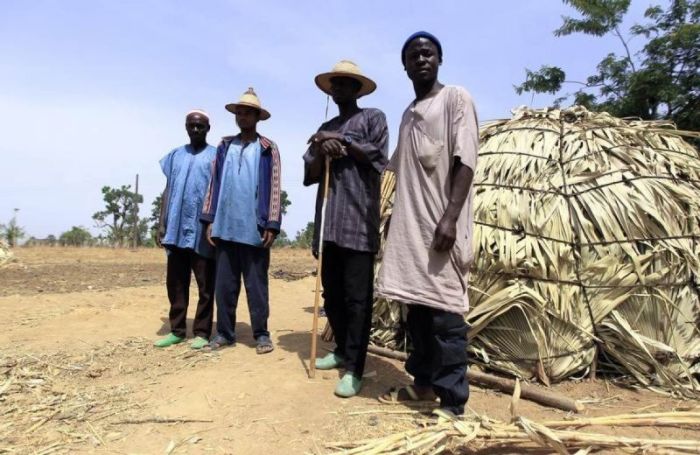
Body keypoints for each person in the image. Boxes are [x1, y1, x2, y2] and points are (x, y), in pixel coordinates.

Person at [376, 32, 479, 416]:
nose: (421, 58)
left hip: (440, 227)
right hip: (412, 231)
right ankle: (423, 385)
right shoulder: (407, 114)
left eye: (428, 53)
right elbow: (397, 169)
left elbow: (465, 160)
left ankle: (453, 401)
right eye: (413, 55)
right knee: (417, 312)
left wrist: (450, 217)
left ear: (439, 59)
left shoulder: (455, 99)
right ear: (404, 66)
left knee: (446, 315)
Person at [304, 60, 388, 397]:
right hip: (329, 224)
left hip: (358, 223)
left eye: (346, 84)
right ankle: (339, 349)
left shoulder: (374, 118)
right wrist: (318, 148)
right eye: (335, 84)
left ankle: (355, 367)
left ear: (357, 89)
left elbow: (378, 156)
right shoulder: (325, 125)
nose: (339, 89)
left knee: (357, 300)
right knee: (332, 295)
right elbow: (310, 173)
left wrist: (342, 140)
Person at [201, 88, 282, 355]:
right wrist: (209, 219)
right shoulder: (225, 146)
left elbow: (274, 186)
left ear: (257, 116)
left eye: (248, 112)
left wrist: (271, 223)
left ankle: (261, 333)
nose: (242, 116)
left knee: (256, 285)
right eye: (239, 112)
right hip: (225, 226)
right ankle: (225, 332)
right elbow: (214, 183)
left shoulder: (268, 148)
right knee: (224, 285)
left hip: (253, 227)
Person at [154, 110, 217, 350]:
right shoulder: (175, 156)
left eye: (200, 127)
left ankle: (202, 332)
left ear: (208, 129)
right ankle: (177, 330)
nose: (196, 130)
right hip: (176, 228)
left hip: (202, 230)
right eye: (192, 126)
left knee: (205, 284)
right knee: (176, 283)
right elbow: (168, 190)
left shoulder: (215, 156)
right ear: (186, 127)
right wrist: (162, 224)